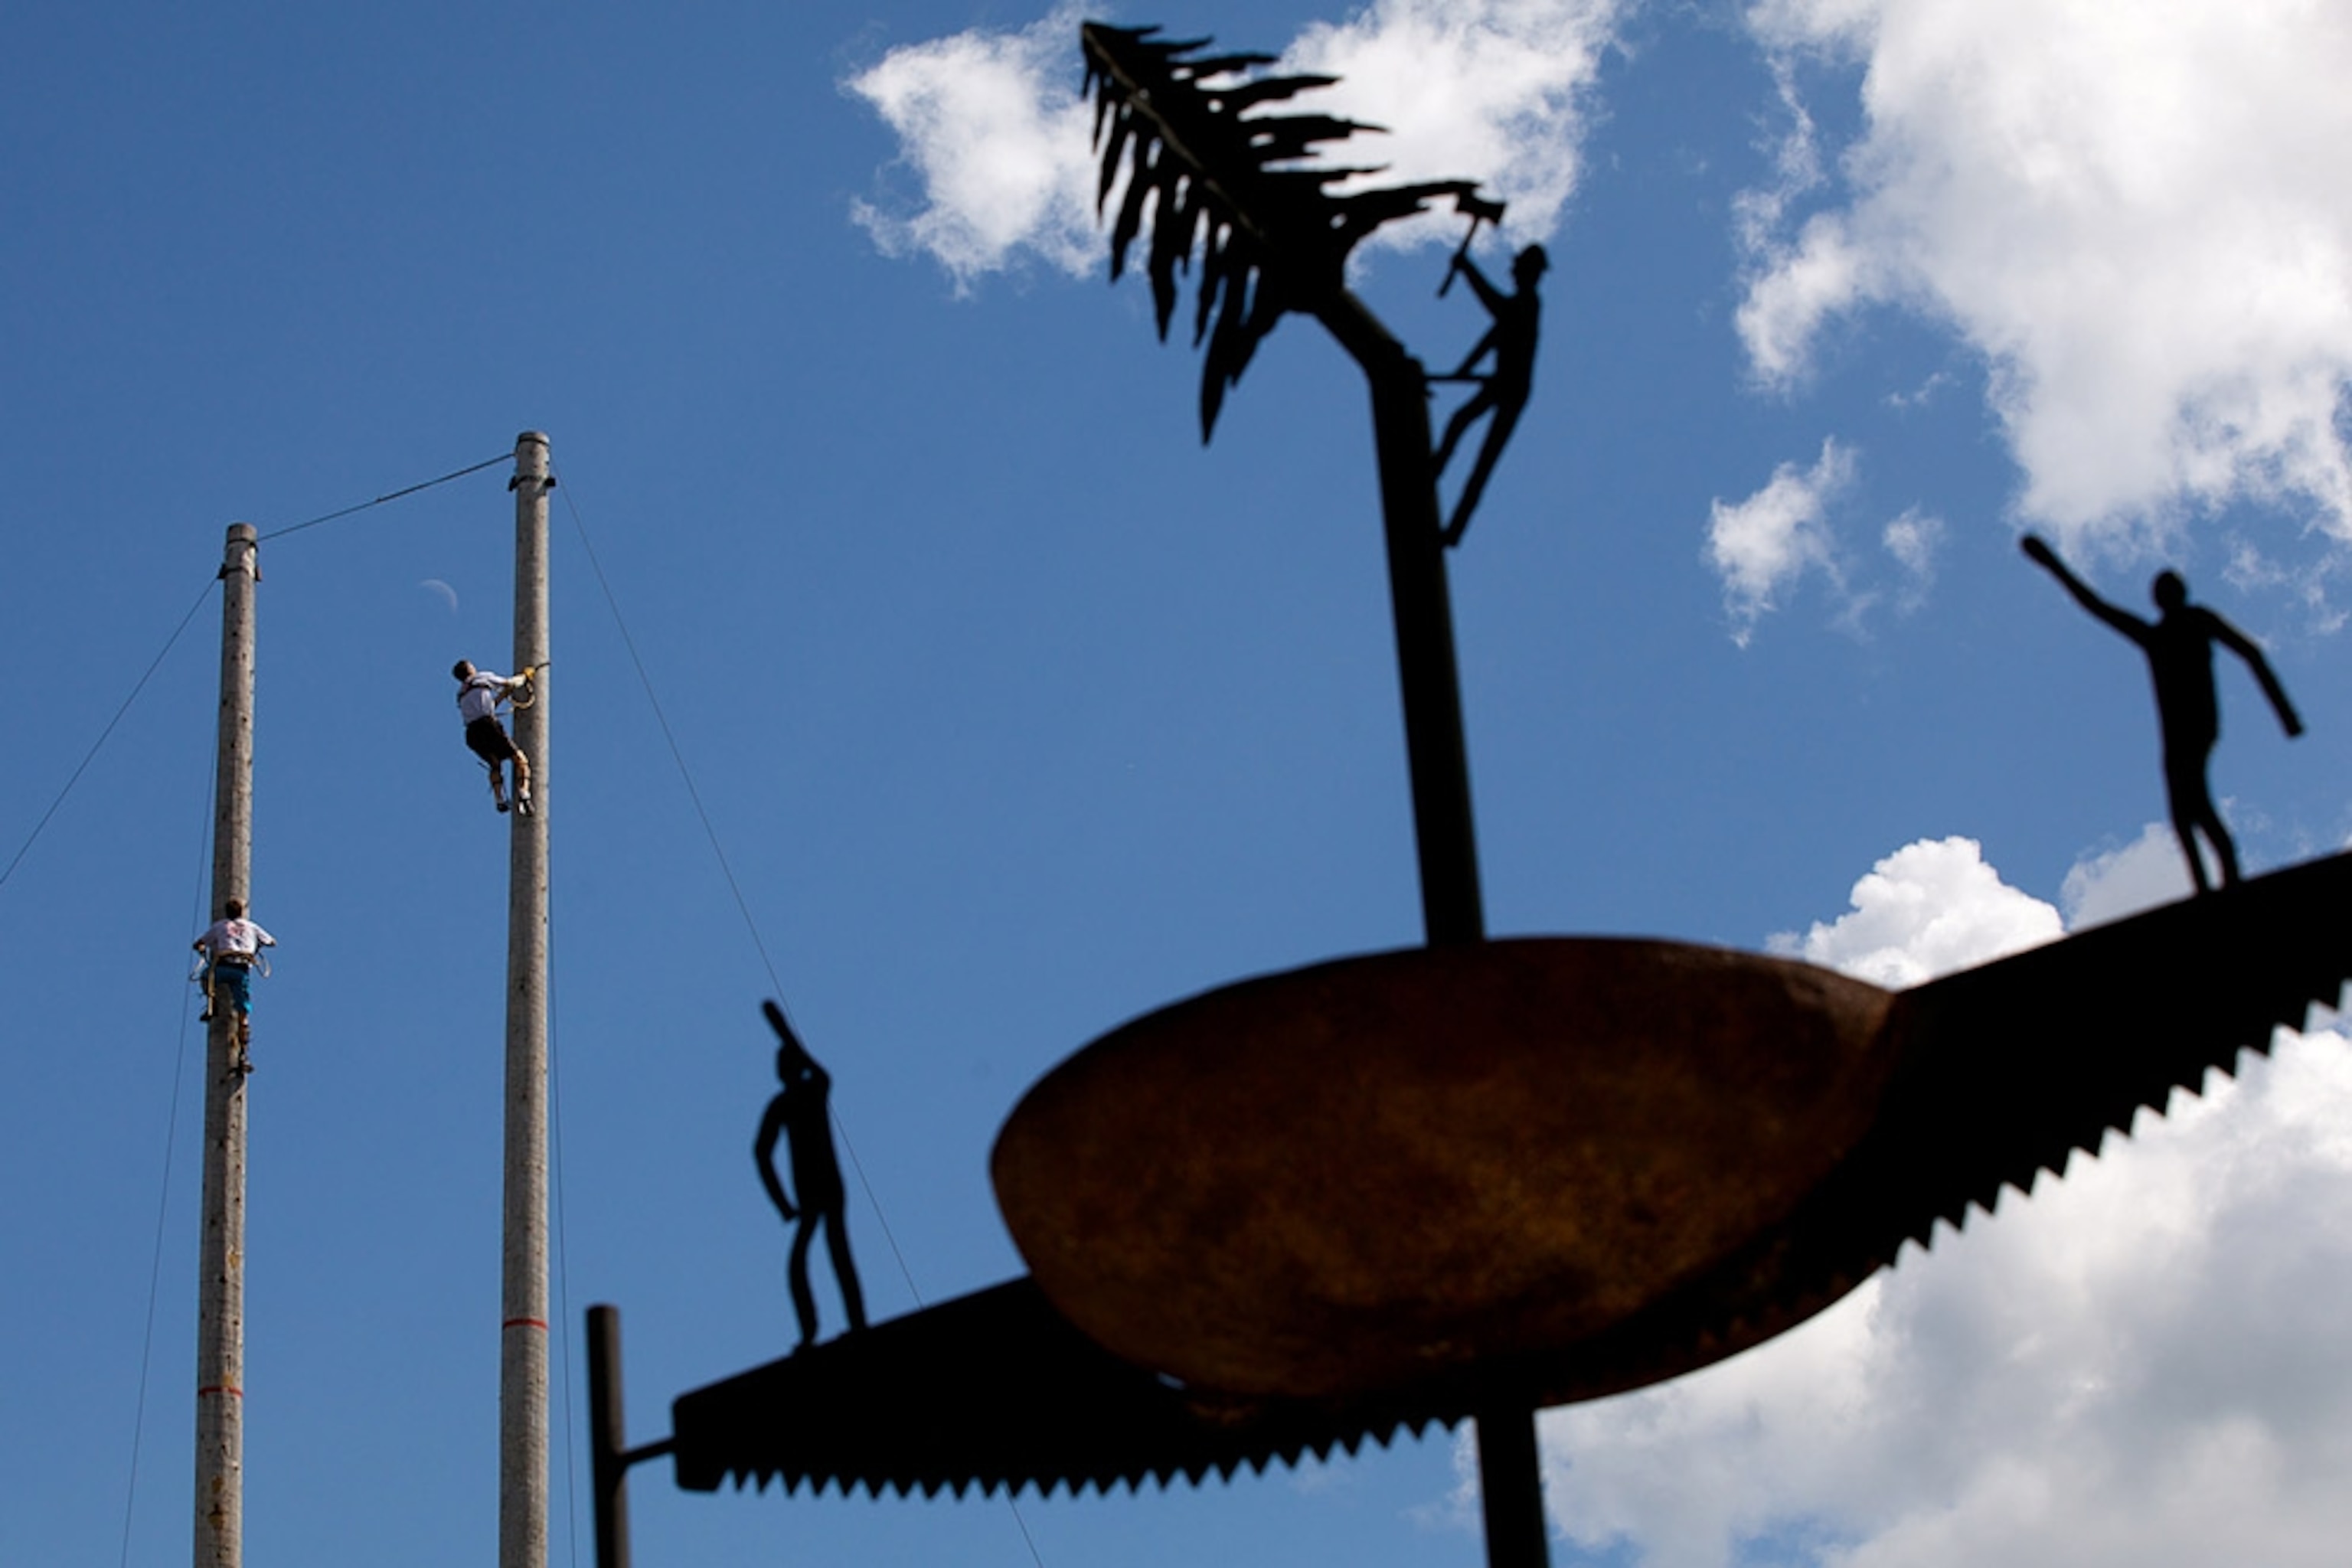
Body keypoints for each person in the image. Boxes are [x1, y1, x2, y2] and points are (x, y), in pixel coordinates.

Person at [2022, 533, 2304, 893]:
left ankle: (2224, 877)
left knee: (2192, 807)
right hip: (2181, 736)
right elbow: (2095, 605)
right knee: (2186, 814)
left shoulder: (2193, 622)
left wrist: (2286, 714)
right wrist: (2052, 564)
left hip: (2196, 728)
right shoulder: (2156, 636)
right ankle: (2207, 883)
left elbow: (2251, 653)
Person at [753, 999, 868, 1352]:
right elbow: (761, 1154)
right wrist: (783, 1204)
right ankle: (816, 1329)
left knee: (835, 1252)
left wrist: (784, 1030)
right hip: (813, 1192)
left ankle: (855, 1325)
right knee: (809, 1259)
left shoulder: (812, 1090)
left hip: (825, 1188)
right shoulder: (787, 1103)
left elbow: (761, 1154)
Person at [1432, 243, 1547, 547]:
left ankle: (1454, 529)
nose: (1513, 272)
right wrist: (1463, 369)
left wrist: (1468, 269)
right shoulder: (1519, 305)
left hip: (1512, 389)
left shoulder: (1528, 304)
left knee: (1482, 463)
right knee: (1459, 421)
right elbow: (1492, 337)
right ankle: (1435, 468)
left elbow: (1497, 311)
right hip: (1500, 382)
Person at [193, 898, 275, 1065]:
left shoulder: (220, 926)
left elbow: (199, 943)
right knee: (243, 1014)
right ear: (241, 912)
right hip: (241, 971)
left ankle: (212, 1004)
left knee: (205, 977)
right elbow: (272, 942)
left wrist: (204, 948)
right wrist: (256, 945)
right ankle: (243, 1052)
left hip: (222, 967)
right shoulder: (251, 927)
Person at [453, 659, 534, 815]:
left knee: (494, 763)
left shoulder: (462, 693)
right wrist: (524, 677)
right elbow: (509, 682)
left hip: (472, 733)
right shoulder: (482, 677)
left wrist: (503, 696)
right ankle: (524, 793)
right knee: (519, 759)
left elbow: (486, 707)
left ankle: (500, 799)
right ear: (470, 669)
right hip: (488, 725)